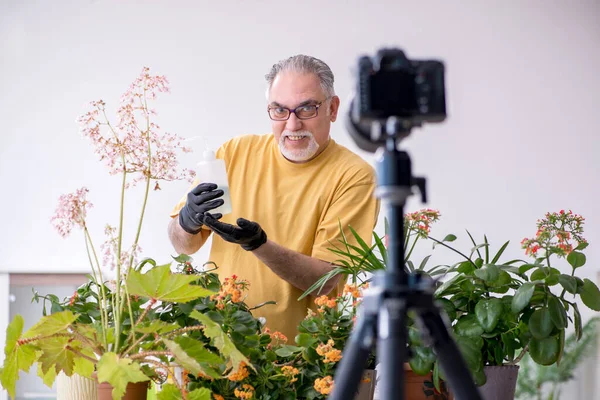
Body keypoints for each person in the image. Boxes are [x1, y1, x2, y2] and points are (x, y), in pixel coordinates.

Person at [168, 55, 380, 339]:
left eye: (307, 108)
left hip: (297, 361)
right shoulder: (233, 153)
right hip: (218, 342)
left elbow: (325, 281)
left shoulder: (354, 176)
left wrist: (258, 245)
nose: (292, 125)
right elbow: (183, 245)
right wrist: (186, 221)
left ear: (332, 108)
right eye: (279, 110)